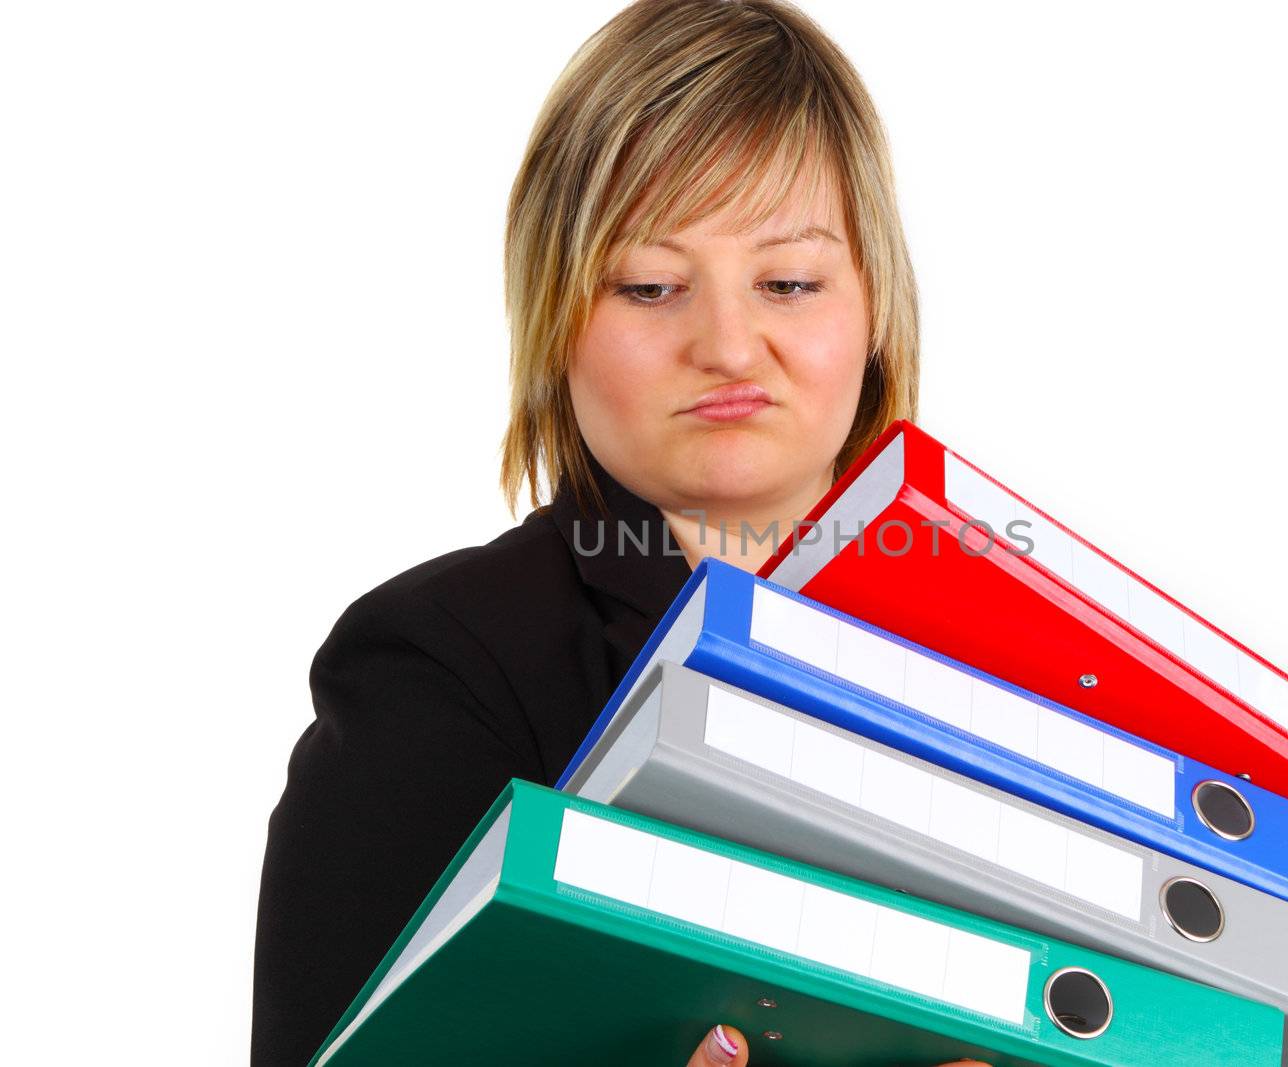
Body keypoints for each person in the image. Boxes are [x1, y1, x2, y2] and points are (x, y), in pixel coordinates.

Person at [252, 2, 984, 1064]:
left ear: (873, 309)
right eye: (649, 286)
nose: (731, 345)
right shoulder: (439, 668)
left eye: (789, 281)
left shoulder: (1024, 649)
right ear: (553, 317)